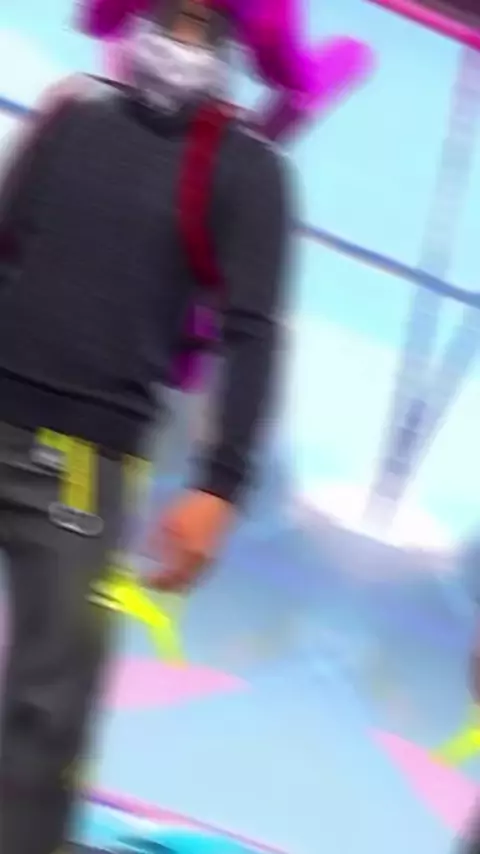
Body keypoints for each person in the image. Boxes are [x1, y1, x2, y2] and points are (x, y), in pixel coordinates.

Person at [0, 1, 291, 852]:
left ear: (238, 39)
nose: (182, 42)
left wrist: (220, 485)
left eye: (205, 25)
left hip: (81, 465)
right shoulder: (72, 114)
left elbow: (252, 331)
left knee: (49, 709)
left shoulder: (247, 169)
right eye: (171, 14)